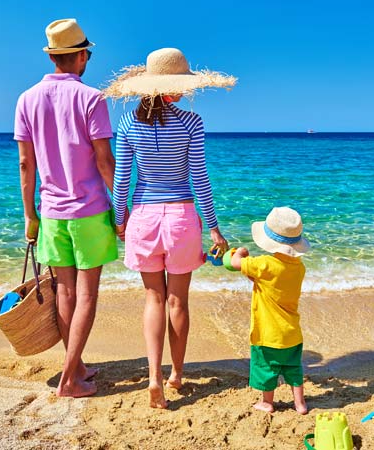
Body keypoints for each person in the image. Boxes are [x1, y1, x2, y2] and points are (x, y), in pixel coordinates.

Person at [104, 47, 236, 409]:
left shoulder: (129, 123)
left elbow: (122, 181)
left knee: (153, 299)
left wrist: (119, 220)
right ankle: (177, 373)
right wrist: (214, 228)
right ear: (172, 89)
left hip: (144, 217)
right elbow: (199, 178)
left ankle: (154, 377)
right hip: (181, 217)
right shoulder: (192, 123)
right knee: (178, 300)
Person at [14, 18, 118, 398]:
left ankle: (75, 365)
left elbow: (27, 165)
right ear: (78, 56)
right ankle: (70, 378)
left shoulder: (26, 99)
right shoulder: (91, 98)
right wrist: (121, 207)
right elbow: (105, 160)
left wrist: (30, 214)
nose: (87, 59)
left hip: (52, 212)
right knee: (87, 295)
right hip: (88, 211)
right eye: (87, 53)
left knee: (65, 293)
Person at [230, 207, 310, 414]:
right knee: (293, 368)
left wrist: (239, 252)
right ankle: (300, 404)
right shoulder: (299, 268)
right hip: (292, 332)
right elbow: (272, 282)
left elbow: (235, 263)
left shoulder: (264, 264)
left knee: (266, 368)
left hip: (268, 334)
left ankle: (267, 402)